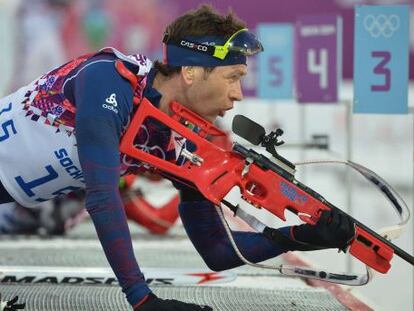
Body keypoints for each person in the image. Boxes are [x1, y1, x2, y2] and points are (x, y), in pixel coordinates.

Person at [0, 4, 355, 310]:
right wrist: (142, 299)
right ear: (190, 72)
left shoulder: (173, 142)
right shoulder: (109, 80)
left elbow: (218, 251)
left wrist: (303, 235)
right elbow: (103, 198)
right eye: (233, 77)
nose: (238, 94)